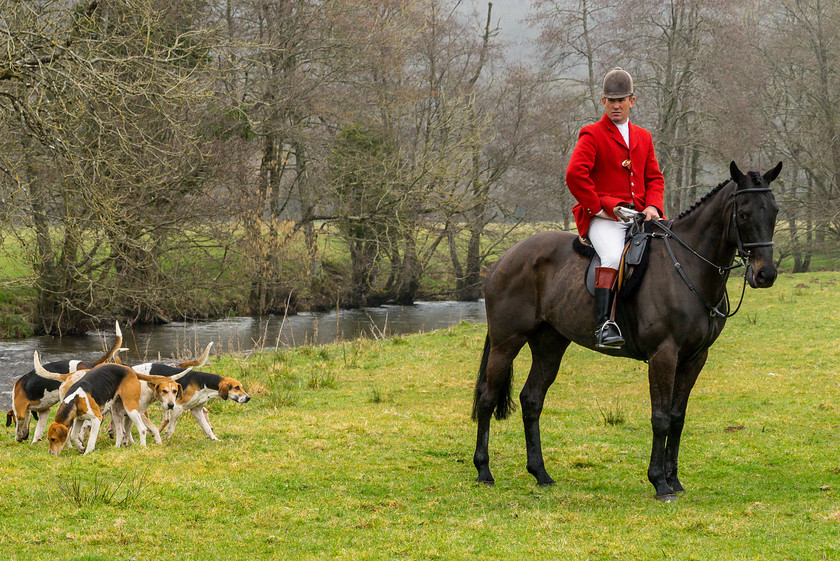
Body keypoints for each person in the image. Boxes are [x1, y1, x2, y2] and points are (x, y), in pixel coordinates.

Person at [565, 67, 665, 348]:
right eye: (611, 100)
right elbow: (574, 175)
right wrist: (599, 207)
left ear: (632, 101)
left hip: (640, 217)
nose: (616, 105)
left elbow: (655, 178)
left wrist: (654, 206)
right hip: (603, 219)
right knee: (611, 256)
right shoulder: (592, 134)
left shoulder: (643, 137)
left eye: (621, 100)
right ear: (603, 102)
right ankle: (603, 326)